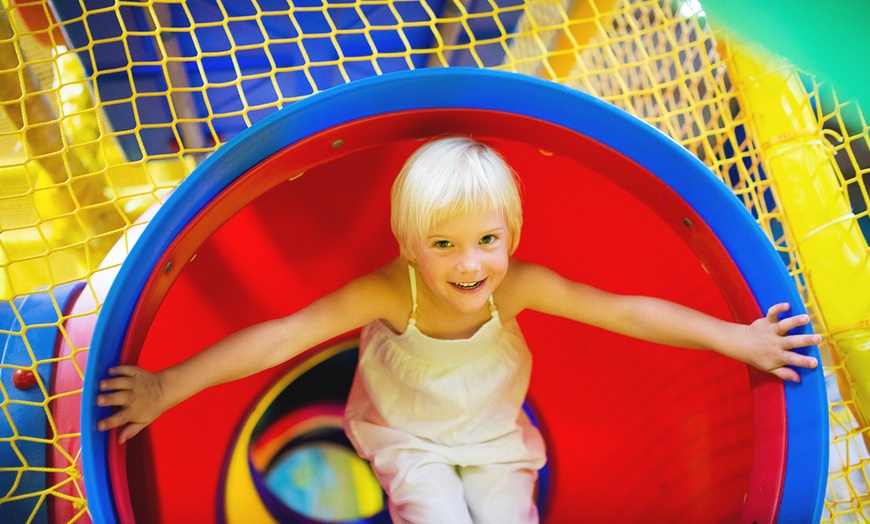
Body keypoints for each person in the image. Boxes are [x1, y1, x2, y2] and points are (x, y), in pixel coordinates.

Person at [97, 136, 820, 523]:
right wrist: (165, 386)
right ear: (409, 245)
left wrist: (739, 339)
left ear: (513, 235)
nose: (471, 265)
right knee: (437, 513)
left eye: (487, 240)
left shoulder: (522, 287)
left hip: (497, 442)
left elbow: (626, 310)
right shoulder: (391, 292)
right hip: (405, 438)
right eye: (443, 244)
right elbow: (284, 335)